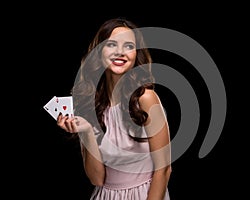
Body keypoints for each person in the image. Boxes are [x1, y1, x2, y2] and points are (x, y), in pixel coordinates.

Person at [57, 17, 172, 200]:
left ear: (136, 54)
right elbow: (97, 179)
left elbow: (164, 169)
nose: (120, 52)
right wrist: (86, 132)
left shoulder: (146, 98)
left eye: (128, 46)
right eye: (111, 44)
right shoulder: (88, 104)